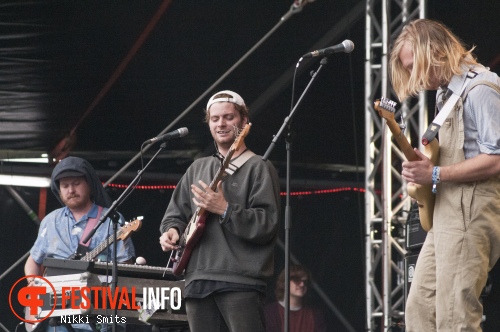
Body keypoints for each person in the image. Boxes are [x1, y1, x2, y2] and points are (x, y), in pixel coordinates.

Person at [389, 18, 500, 331]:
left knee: (455, 316)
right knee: (420, 310)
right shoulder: (447, 92)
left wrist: (435, 173)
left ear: (434, 51)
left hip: (472, 210)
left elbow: (497, 158)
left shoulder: (481, 87)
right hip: (446, 212)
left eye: (414, 65)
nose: (414, 76)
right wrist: (421, 168)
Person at [159, 90, 281, 332]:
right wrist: (171, 231)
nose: (221, 124)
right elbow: (175, 215)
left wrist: (225, 209)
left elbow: (267, 224)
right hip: (197, 279)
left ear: (244, 121)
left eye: (228, 117)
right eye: (215, 119)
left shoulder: (259, 167)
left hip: (240, 281)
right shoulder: (197, 167)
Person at [25, 156, 136, 332]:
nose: (71, 190)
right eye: (65, 186)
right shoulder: (50, 221)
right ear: (59, 190)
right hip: (57, 319)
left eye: (76, 183)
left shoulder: (110, 220)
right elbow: (33, 261)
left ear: (89, 184)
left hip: (98, 317)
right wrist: (33, 283)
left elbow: (126, 267)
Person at [264, 265, 327, 332]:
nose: (302, 284)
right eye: (297, 280)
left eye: (305, 282)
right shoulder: (269, 313)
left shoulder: (315, 315)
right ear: (285, 282)